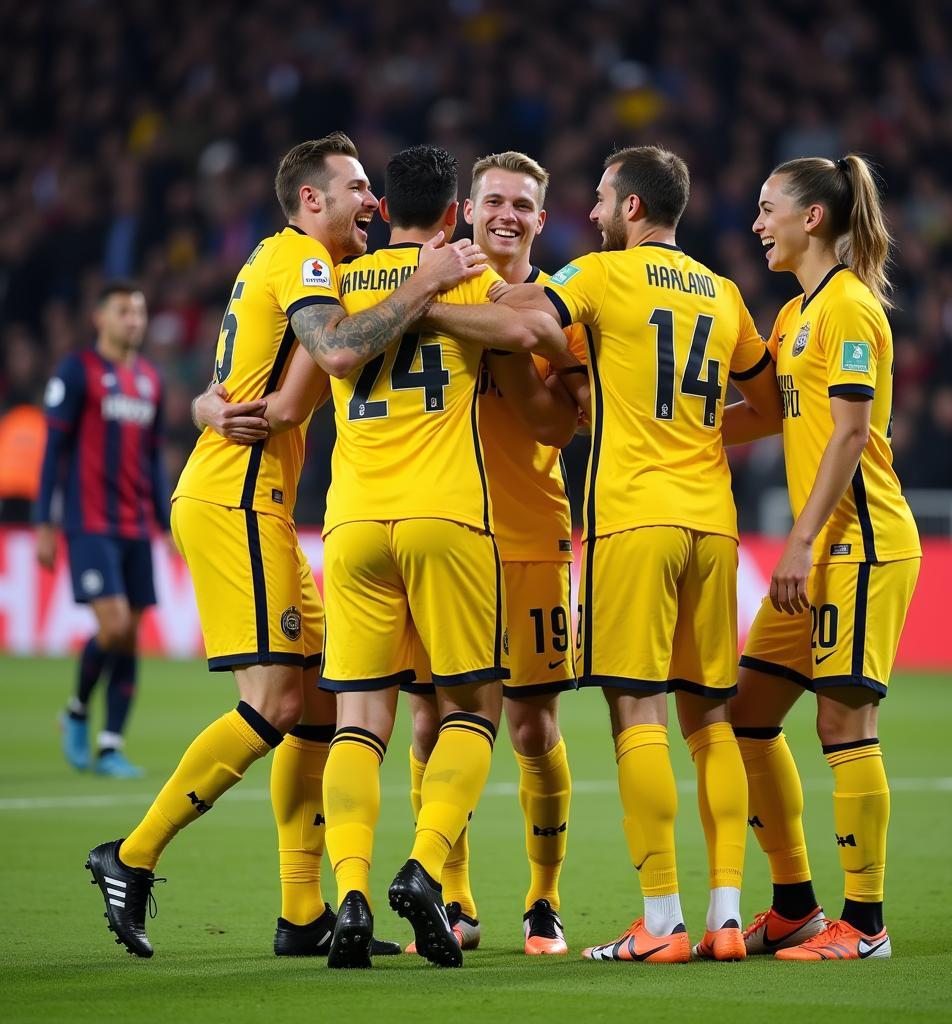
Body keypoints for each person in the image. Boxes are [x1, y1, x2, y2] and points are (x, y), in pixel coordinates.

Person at [85, 132, 486, 959]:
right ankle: (130, 856)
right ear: (313, 200)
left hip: (245, 489)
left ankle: (303, 911)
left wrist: (202, 407)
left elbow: (291, 399)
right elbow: (337, 348)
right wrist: (429, 278)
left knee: (325, 703)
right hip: (236, 497)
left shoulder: (286, 264)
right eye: (357, 188)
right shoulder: (302, 259)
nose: (372, 202)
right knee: (272, 704)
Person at [496, 146, 781, 963]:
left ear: (629, 209)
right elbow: (766, 405)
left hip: (634, 520)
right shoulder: (725, 296)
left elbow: (521, 314)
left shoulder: (599, 276)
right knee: (713, 718)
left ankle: (661, 922)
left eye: (597, 200)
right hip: (713, 524)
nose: (589, 213)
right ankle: (727, 916)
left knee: (638, 712)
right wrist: (693, 433)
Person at [317, 144, 567, 969]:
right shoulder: (462, 273)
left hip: (351, 524)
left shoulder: (334, 282)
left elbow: (299, 382)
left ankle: (348, 894)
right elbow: (533, 327)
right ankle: (428, 870)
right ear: (458, 214)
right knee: (472, 710)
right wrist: (433, 289)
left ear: (381, 210)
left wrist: (211, 402)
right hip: (448, 521)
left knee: (363, 719)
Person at [723, 154, 921, 961]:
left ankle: (865, 924)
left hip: (860, 545)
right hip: (821, 548)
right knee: (748, 714)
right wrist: (672, 427)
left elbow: (848, 433)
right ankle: (798, 904)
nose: (757, 223)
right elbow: (769, 415)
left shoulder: (850, 309)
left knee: (845, 720)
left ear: (813, 218)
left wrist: (800, 542)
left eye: (768, 209)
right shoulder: (793, 315)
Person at [402, 151, 585, 957]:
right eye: (493, 201)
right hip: (432, 533)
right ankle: (455, 900)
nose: (506, 214)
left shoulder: (558, 308)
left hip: (525, 536)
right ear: (465, 211)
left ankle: (543, 901)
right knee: (428, 721)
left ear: (541, 221)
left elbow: (554, 426)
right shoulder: (420, 277)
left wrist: (453, 318)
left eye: (522, 205)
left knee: (531, 728)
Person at [34, 281, 168, 779]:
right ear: (100, 319)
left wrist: (164, 519)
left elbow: (154, 459)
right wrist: (44, 522)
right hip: (89, 522)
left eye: (139, 311)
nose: (133, 320)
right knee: (112, 627)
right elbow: (54, 452)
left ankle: (110, 745)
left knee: (130, 635)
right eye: (123, 311)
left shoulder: (151, 379)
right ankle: (75, 710)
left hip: (136, 524)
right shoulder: (77, 371)